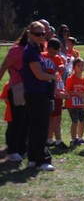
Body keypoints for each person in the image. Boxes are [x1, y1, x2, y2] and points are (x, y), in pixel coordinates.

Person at [22, 21, 58, 171]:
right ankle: (41, 160)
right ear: (30, 34)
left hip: (37, 92)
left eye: (43, 33)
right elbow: (38, 74)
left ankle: (32, 158)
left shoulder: (36, 49)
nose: (41, 36)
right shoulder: (30, 51)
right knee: (41, 127)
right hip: (35, 93)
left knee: (35, 126)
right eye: (37, 34)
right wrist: (53, 77)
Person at [0, 28, 29, 162]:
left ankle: (22, 149)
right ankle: (12, 150)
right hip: (18, 88)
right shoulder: (16, 50)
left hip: (31, 90)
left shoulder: (36, 49)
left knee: (26, 121)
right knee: (17, 121)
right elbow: (4, 67)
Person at [43, 38, 68, 149]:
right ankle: (54, 140)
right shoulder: (42, 56)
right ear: (47, 48)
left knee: (56, 117)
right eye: (51, 52)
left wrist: (60, 66)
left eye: (55, 52)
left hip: (57, 87)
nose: (52, 54)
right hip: (49, 90)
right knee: (51, 116)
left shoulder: (57, 58)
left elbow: (60, 68)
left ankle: (52, 139)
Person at [64, 57, 84, 146]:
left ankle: (80, 138)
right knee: (75, 121)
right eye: (79, 66)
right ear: (74, 67)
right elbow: (67, 91)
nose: (81, 67)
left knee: (82, 120)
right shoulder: (71, 78)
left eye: (82, 65)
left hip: (80, 104)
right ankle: (73, 139)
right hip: (72, 104)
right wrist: (76, 94)